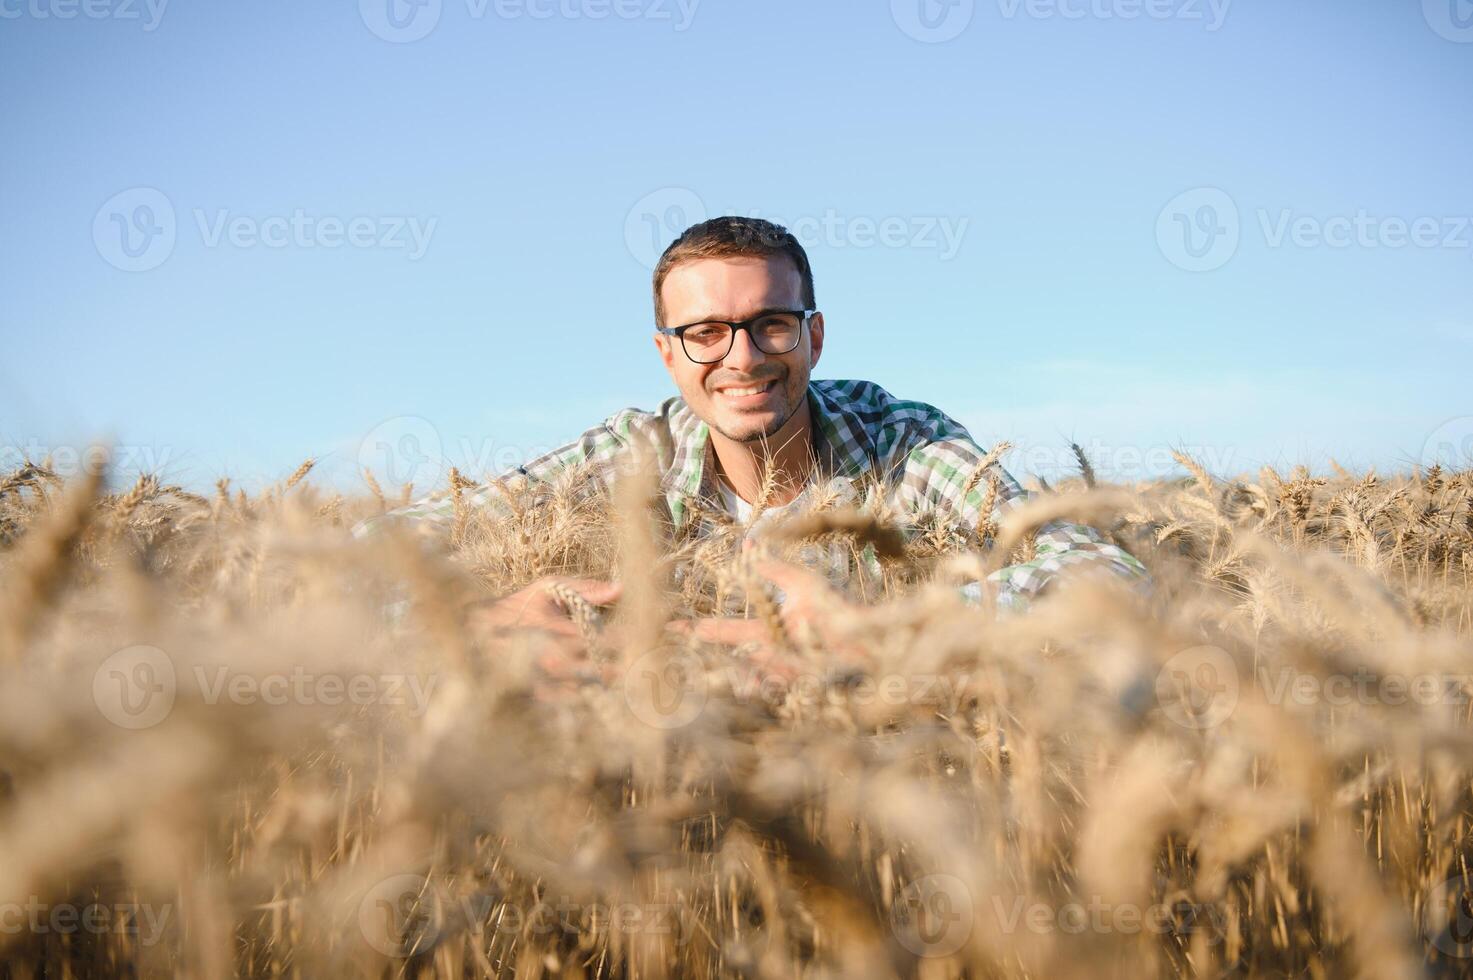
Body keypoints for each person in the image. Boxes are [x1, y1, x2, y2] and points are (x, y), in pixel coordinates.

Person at [353, 216, 1147, 652]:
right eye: (704, 332)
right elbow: (358, 559)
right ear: (668, 356)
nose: (741, 358)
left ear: (814, 338)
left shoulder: (902, 442)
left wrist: (876, 628)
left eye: (771, 324)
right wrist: (477, 622)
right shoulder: (626, 454)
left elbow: (1103, 573)